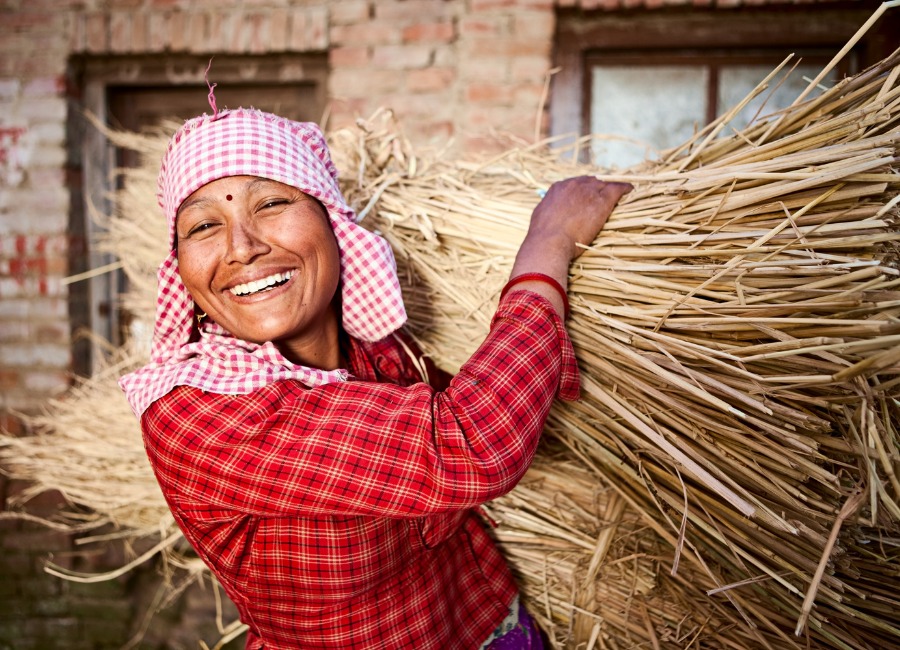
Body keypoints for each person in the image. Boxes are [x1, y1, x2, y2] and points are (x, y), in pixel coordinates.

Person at [119, 105, 630, 649]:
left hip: (490, 622)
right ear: (181, 269)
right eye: (203, 226)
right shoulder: (197, 415)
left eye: (270, 203)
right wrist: (550, 240)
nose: (242, 246)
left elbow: (497, 392)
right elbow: (469, 444)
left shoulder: (377, 339)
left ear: (333, 223)